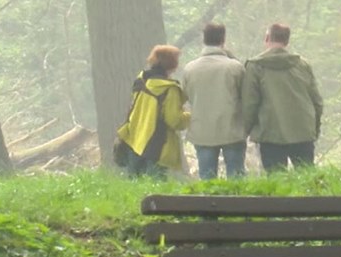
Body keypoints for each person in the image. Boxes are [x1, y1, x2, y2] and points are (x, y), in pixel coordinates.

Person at [242, 23, 323, 172]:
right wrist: (314, 129)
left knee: (276, 180)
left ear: (267, 38)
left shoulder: (255, 67)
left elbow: (249, 104)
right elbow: (317, 102)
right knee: (307, 178)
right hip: (303, 130)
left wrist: (245, 131)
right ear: (287, 41)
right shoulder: (302, 65)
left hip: (271, 133)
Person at [182, 23, 246, 179]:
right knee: (236, 177)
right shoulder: (235, 67)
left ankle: (208, 203)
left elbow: (186, 97)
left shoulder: (190, 69)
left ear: (203, 39)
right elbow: (245, 97)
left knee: (207, 178)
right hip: (232, 129)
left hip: (202, 131)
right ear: (223, 39)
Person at [117, 45, 190, 177]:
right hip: (156, 145)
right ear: (173, 64)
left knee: (134, 187)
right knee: (155, 188)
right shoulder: (169, 89)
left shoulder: (141, 82)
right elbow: (174, 120)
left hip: (133, 140)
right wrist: (189, 116)